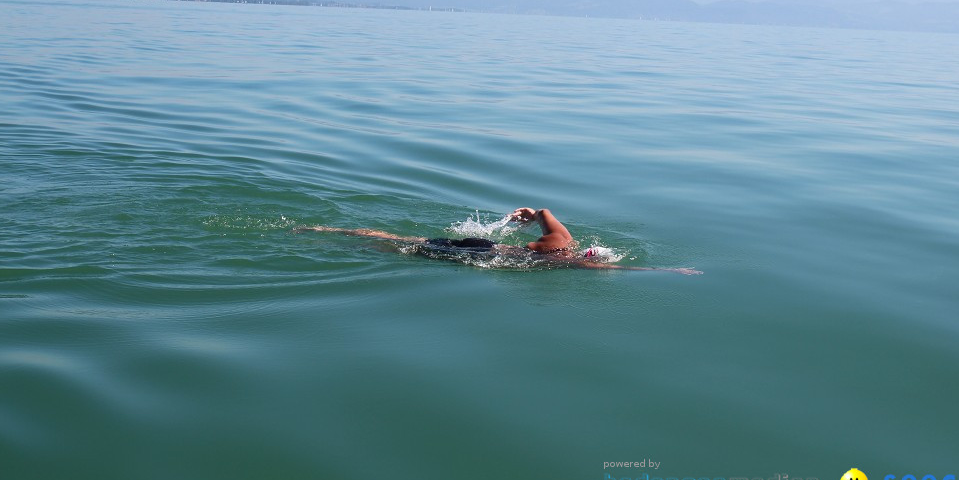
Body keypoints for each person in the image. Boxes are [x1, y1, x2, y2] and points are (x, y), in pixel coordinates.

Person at [296, 207, 700, 274]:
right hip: (487, 256)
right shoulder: (565, 259)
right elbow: (617, 269)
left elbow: (542, 210)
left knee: (405, 238)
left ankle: (329, 230)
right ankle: (340, 239)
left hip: (482, 243)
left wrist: (525, 214)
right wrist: (667, 269)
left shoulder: (560, 239)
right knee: (406, 250)